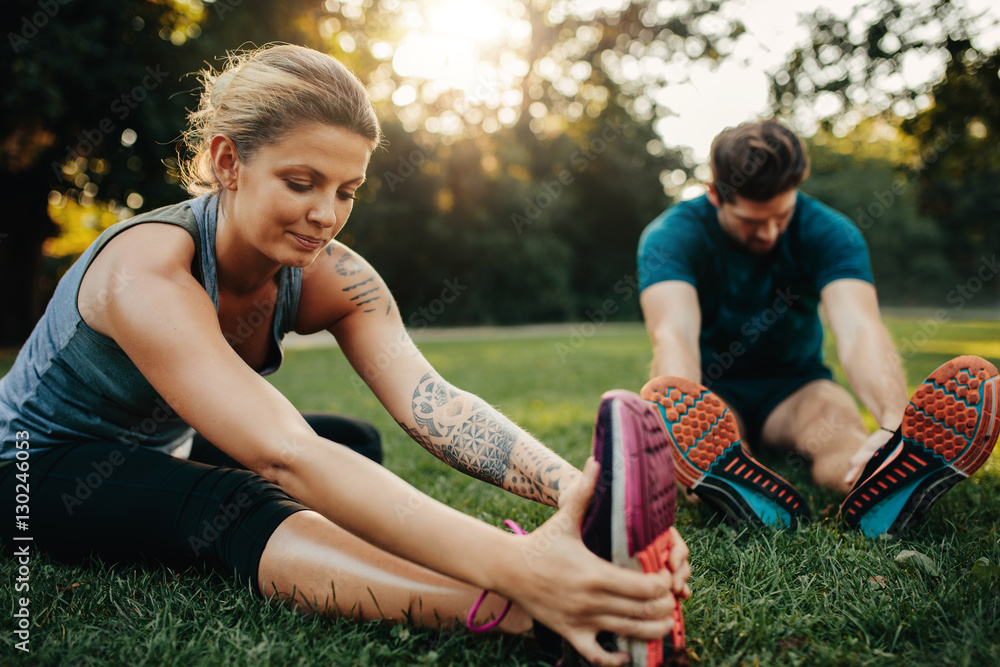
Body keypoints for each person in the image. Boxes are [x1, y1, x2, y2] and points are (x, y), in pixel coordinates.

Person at [0, 45, 690, 667]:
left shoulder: (333, 274)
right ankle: (523, 611)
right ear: (227, 161)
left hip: (159, 448)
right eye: (301, 182)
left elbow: (434, 402)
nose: (326, 214)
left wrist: (579, 488)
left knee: (352, 444)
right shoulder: (147, 268)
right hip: (32, 471)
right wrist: (519, 565)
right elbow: (282, 450)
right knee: (241, 496)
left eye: (346, 191)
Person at [636, 118, 998, 535]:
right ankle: (717, 475)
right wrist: (686, 421)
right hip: (713, 388)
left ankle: (878, 483)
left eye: (782, 216)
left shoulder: (830, 231)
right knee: (713, 449)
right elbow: (673, 333)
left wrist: (893, 422)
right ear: (716, 195)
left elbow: (860, 328)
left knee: (840, 429)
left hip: (795, 387)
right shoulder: (670, 235)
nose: (770, 232)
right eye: (754, 222)